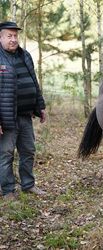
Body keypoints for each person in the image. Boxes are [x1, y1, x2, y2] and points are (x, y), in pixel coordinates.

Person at [0, 21, 46, 200]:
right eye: (9, 36)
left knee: (28, 151)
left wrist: (40, 106)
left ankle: (28, 185)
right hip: (6, 118)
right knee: (5, 155)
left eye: (15, 36)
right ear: (1, 37)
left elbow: (34, 82)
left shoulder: (25, 55)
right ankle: (8, 190)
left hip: (25, 115)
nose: (13, 39)